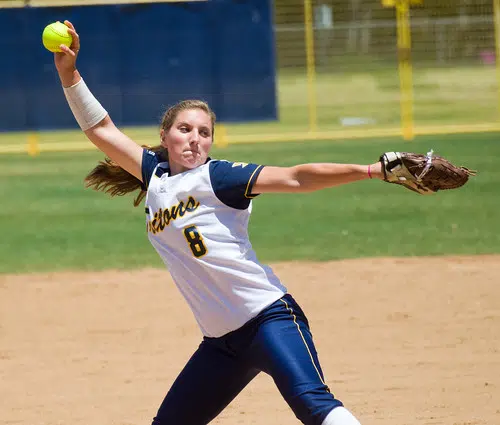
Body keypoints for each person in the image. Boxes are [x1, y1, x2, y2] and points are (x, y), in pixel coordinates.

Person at [54, 20, 384, 425]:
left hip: (269, 319)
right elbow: (100, 128)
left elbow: (298, 176)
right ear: (166, 134)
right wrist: (68, 73)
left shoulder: (218, 177)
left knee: (315, 406)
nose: (195, 138)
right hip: (221, 345)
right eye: (185, 129)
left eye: (205, 132)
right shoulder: (153, 175)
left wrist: (371, 170)